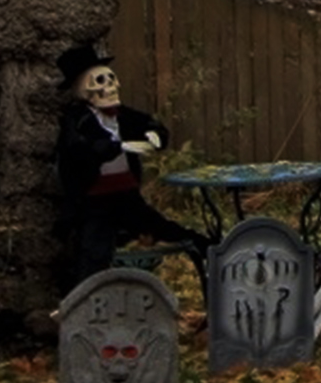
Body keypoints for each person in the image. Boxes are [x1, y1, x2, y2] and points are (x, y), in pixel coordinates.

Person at [54, 43, 213, 292]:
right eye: (100, 82)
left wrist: (155, 133)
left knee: (163, 227)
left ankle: (210, 250)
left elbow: (147, 123)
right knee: (93, 251)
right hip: (94, 202)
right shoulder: (77, 120)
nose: (110, 87)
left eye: (111, 80)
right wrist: (110, 147)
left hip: (127, 196)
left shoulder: (122, 115)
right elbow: (80, 149)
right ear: (84, 89)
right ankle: (84, 298)